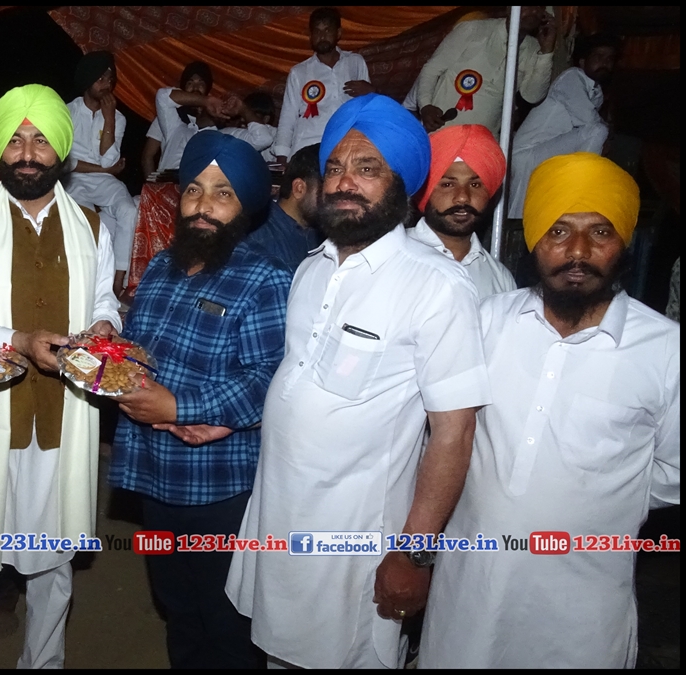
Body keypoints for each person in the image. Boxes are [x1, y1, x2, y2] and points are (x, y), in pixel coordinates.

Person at [225, 94, 491, 668]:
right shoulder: (310, 268)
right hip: (277, 521)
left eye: (367, 168)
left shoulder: (437, 286)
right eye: (336, 167)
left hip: (354, 548)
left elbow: (454, 433)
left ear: (402, 186)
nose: (345, 182)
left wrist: (413, 554)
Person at [421, 153, 680, 668]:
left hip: (582, 609)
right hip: (469, 588)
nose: (578, 251)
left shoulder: (666, 349)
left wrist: (598, 495)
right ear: (535, 240)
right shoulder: (485, 321)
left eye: (600, 232)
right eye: (558, 231)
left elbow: (672, 473)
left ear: (625, 243)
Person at [0, 84, 122, 669]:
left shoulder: (92, 226)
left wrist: (103, 324)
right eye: (14, 140)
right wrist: (14, 340)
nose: (27, 153)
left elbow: (106, 300)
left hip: (64, 419)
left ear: (61, 150)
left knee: (53, 563)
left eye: (41, 140)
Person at [111, 131, 290, 668]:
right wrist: (107, 354)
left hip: (221, 488)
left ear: (245, 208)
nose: (203, 206)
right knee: (179, 610)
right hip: (154, 475)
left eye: (222, 193)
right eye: (193, 190)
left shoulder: (265, 279)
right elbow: (139, 350)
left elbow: (270, 379)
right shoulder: (161, 268)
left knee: (226, 620)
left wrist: (179, 408)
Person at [508, 33, 620, 219]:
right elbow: (587, 120)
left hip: (549, 152)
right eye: (599, 57)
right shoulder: (572, 78)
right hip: (527, 153)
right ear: (583, 62)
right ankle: (578, 189)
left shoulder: (596, 92)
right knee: (597, 130)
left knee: (532, 217)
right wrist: (606, 136)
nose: (605, 63)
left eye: (609, 59)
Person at [416, 7, 556, 137]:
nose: (534, 12)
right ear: (509, 9)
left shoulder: (534, 49)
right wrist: (425, 106)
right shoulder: (473, 30)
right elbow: (431, 69)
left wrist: (546, 52)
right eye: (527, 6)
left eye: (539, 7)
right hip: (443, 131)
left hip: (483, 142)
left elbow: (533, 96)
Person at [411, 124, 516, 297]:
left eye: (475, 185)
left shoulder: (500, 280)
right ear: (425, 191)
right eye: (447, 185)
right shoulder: (386, 257)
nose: (462, 197)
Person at [65, 50, 139, 297]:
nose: (107, 84)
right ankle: (87, 284)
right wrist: (104, 168)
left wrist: (109, 120)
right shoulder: (67, 112)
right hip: (74, 180)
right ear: (87, 80)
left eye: (110, 78)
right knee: (89, 221)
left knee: (129, 211)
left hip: (105, 180)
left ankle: (118, 281)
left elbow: (109, 159)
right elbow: (66, 163)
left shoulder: (117, 117)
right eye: (100, 78)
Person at [272, 7, 373, 165]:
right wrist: (282, 158)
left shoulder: (355, 62)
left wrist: (372, 92)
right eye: (317, 32)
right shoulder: (299, 72)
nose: (322, 36)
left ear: (338, 33)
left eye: (327, 30)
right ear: (310, 36)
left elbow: (369, 106)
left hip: (347, 144)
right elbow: (287, 116)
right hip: (308, 147)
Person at [246, 143, 323, 274]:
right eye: (325, 190)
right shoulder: (258, 240)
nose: (335, 199)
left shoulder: (319, 234)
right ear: (299, 188)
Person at [146, 61, 229, 174]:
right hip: (167, 179)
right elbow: (148, 156)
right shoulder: (171, 117)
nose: (195, 88)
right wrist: (152, 184)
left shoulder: (215, 120)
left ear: (207, 88)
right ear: (184, 88)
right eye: (190, 83)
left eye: (201, 83)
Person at [219, 91, 278, 162]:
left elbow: (263, 139)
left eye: (250, 115)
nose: (242, 119)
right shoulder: (231, 133)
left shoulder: (277, 136)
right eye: (242, 114)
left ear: (265, 119)